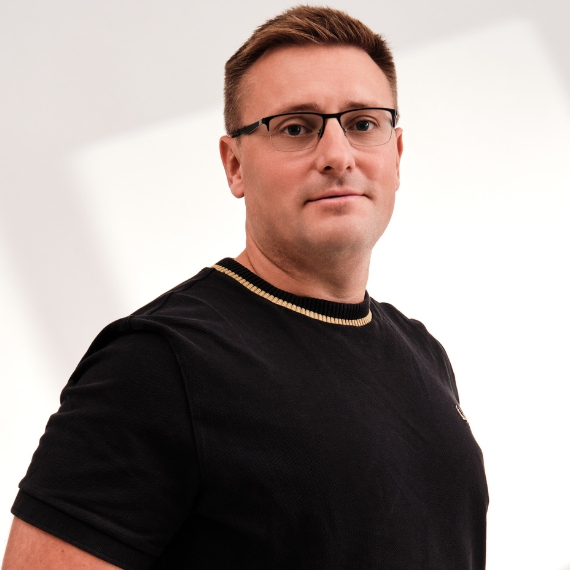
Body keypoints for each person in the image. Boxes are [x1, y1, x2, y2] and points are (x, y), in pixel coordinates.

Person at [2, 6, 488, 570]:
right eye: (296, 128)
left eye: (362, 124)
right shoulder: (157, 363)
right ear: (234, 165)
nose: (337, 156)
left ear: (396, 155)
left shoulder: (422, 353)